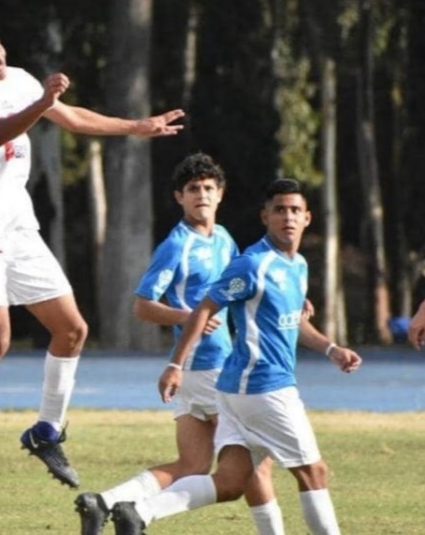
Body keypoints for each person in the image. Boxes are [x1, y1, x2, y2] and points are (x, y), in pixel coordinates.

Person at [0, 2, 184, 491]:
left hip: (20, 229)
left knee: (72, 329)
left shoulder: (22, 79)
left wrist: (136, 127)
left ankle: (47, 431)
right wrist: (43, 100)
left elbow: (72, 118)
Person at [106, 178, 362, 535]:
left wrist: (331, 349)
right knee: (314, 472)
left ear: (307, 218)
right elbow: (203, 309)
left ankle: (140, 513)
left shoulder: (297, 266)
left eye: (295, 210)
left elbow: (295, 324)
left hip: (234, 392)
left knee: (230, 481)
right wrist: (175, 364)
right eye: (279, 210)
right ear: (265, 216)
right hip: (264, 387)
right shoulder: (252, 265)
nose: (287, 217)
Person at [75, 153, 283, 535]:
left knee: (191, 465)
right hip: (211, 366)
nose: (200, 194)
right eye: (192, 189)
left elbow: (243, 286)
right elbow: (142, 305)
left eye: (207, 188)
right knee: (254, 463)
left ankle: (102, 503)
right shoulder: (177, 246)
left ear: (220, 194)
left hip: (193, 367)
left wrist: (288, 296)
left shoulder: (222, 237)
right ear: (179, 197)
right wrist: (188, 316)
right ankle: (142, 513)